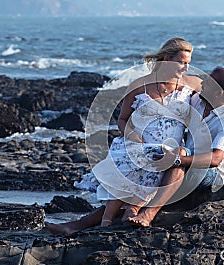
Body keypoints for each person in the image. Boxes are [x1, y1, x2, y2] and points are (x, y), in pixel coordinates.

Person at [46, 37, 201, 233]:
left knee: (150, 160)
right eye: (181, 62)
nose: (186, 67)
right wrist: (131, 133)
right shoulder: (139, 85)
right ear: (165, 58)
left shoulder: (192, 84)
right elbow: (122, 119)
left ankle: (110, 218)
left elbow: (220, 90)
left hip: (169, 151)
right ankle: (109, 221)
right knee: (134, 159)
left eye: (188, 63)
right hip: (140, 144)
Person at [128, 66, 224, 227]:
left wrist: (179, 159)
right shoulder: (198, 102)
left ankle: (149, 213)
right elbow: (180, 87)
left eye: (207, 83)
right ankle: (104, 218)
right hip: (187, 164)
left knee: (178, 154)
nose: (202, 83)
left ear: (218, 94)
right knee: (155, 154)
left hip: (214, 175)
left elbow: (216, 159)